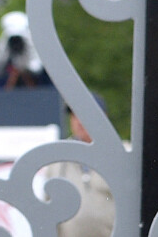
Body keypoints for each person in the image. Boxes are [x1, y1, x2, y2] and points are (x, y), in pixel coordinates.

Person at [46, 96, 115, 237]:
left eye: (85, 114)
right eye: (74, 115)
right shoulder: (58, 158)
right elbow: (48, 210)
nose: (79, 121)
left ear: (103, 118)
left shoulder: (119, 155)